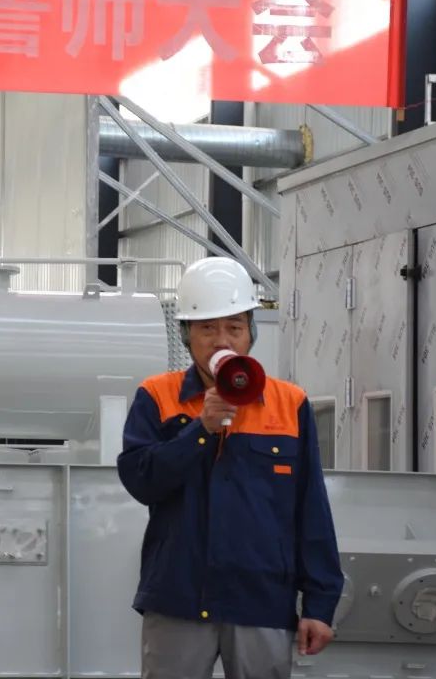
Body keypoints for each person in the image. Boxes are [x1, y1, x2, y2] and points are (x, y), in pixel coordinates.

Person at [117, 256, 343, 679]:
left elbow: (311, 510)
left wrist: (320, 604)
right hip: (179, 598)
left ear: (251, 333)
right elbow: (141, 481)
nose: (222, 340)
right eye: (207, 328)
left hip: (261, 599)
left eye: (234, 327)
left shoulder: (289, 403)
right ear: (186, 334)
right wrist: (199, 430)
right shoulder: (157, 396)